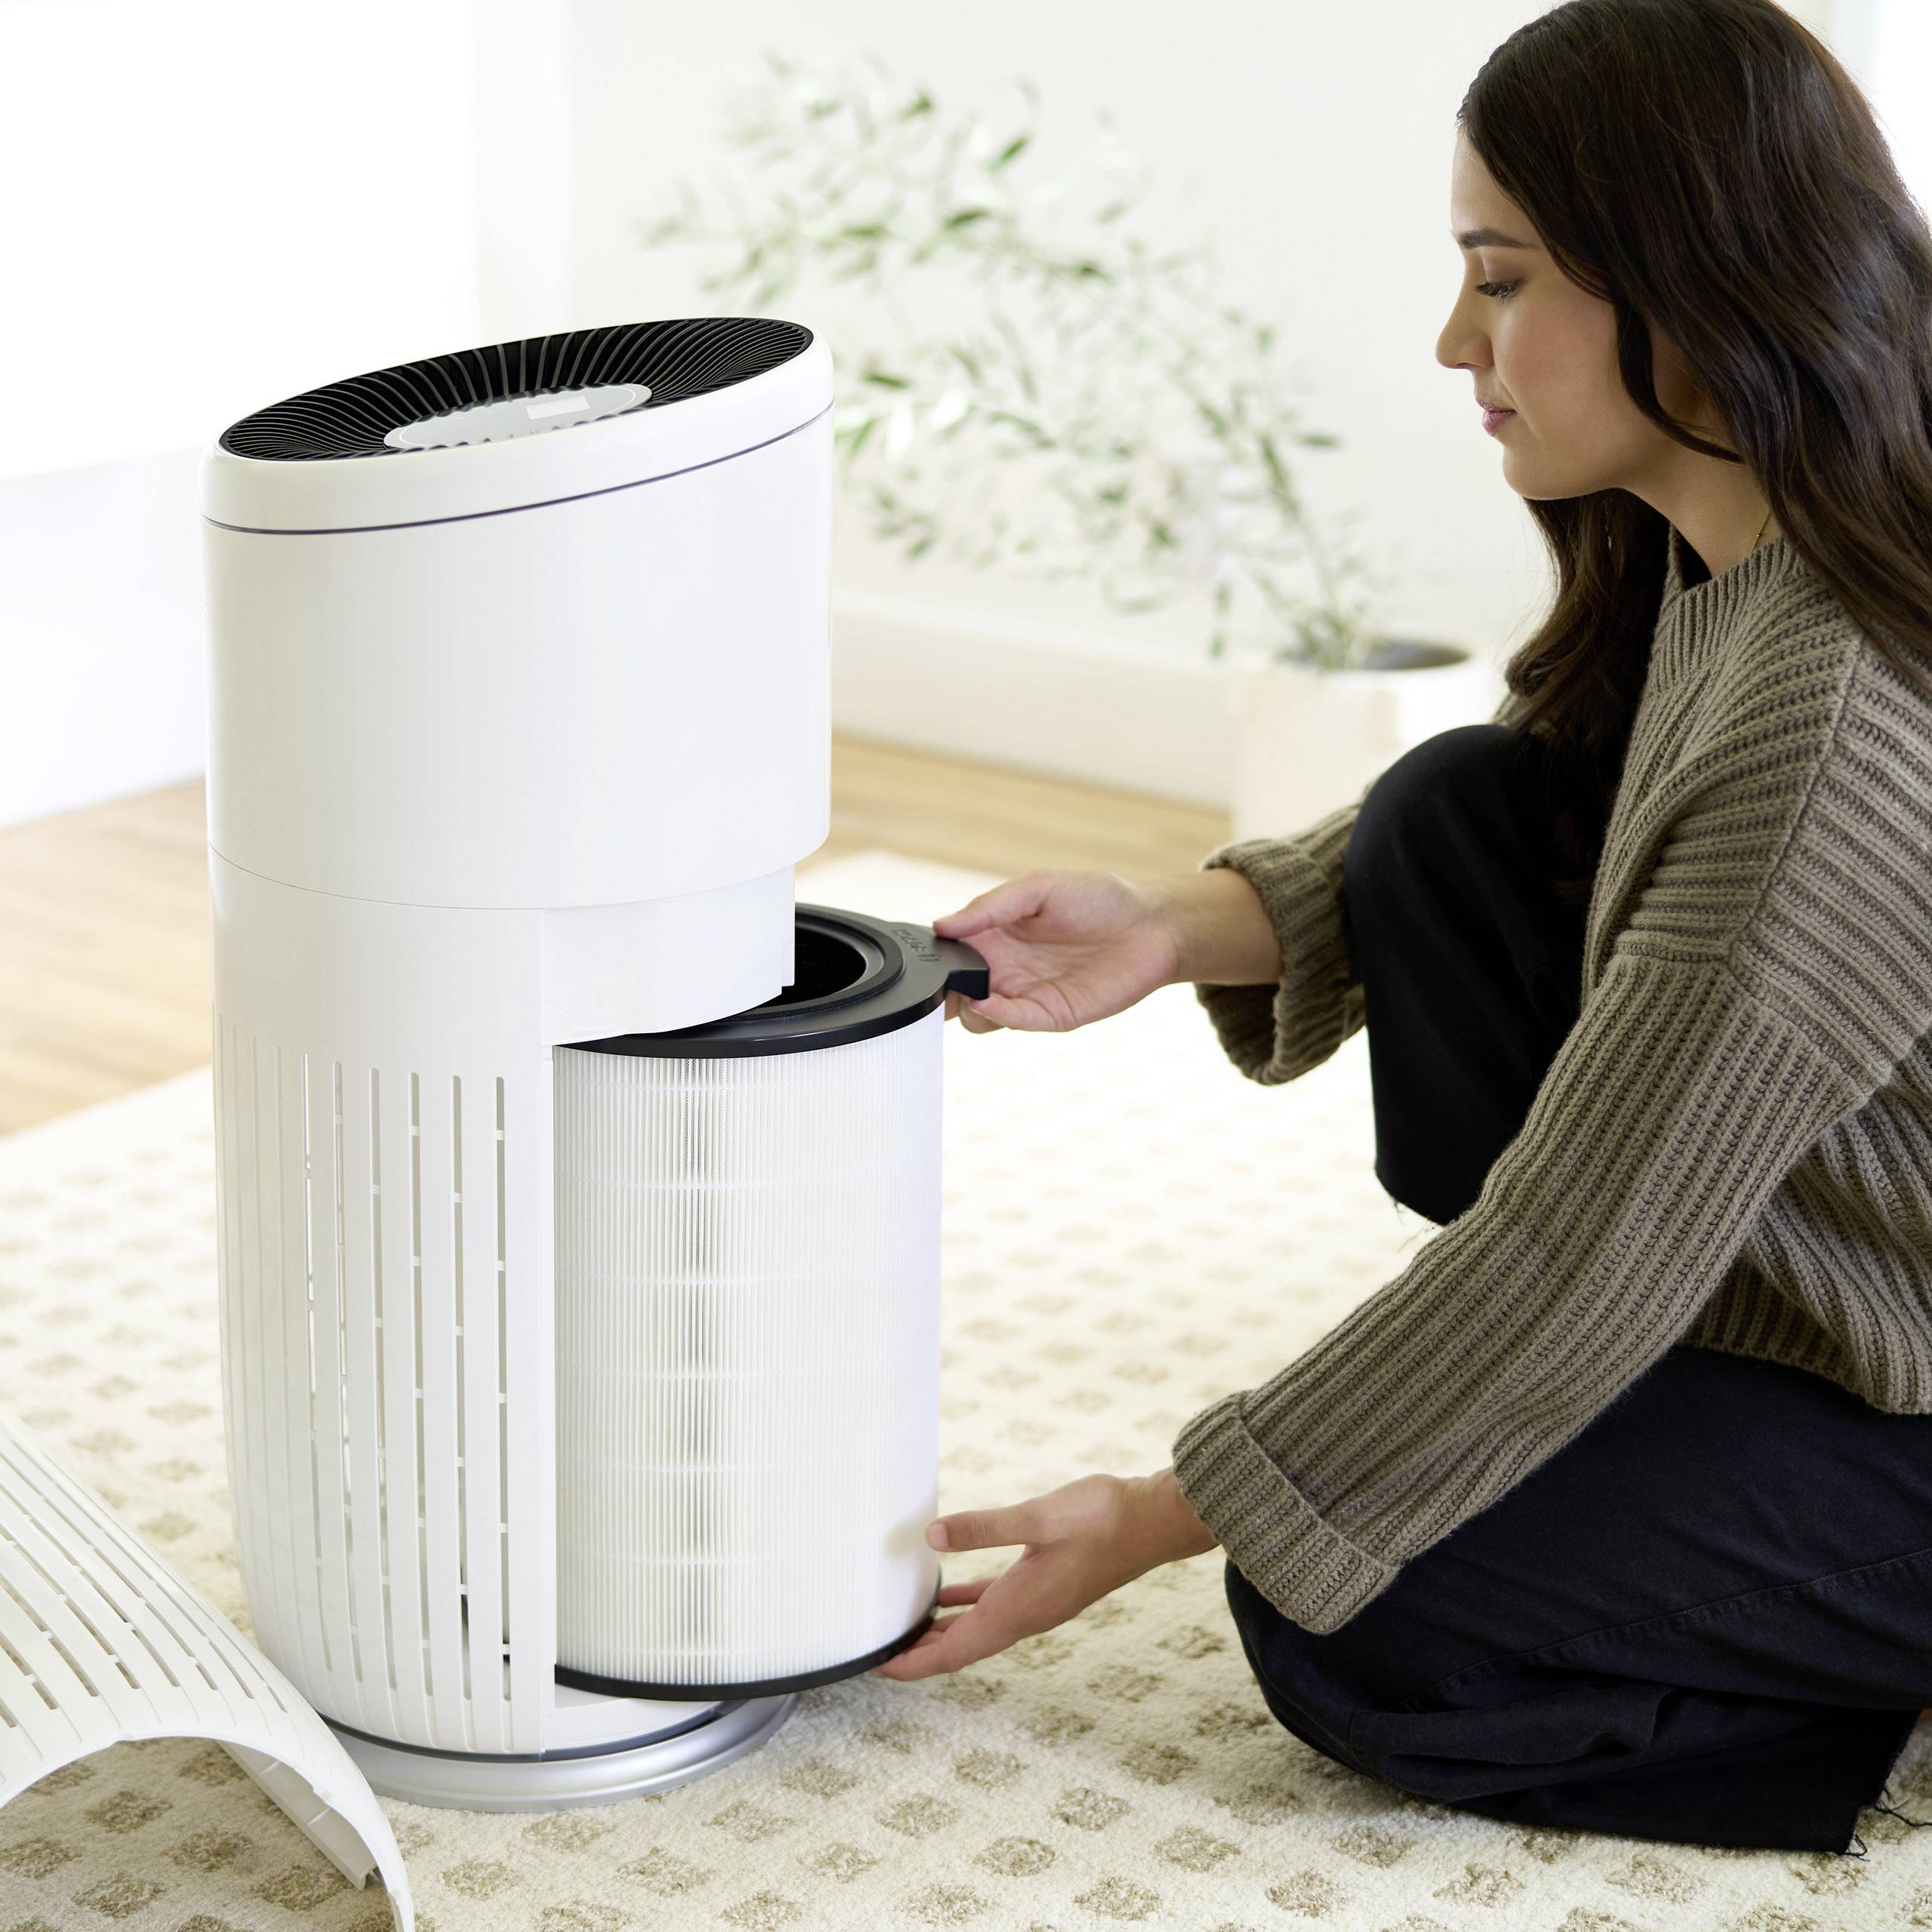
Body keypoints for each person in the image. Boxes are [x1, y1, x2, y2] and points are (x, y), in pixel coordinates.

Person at [869, 0, 1932, 1861]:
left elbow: (1581, 1240)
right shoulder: (1724, 540)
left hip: (1903, 1394)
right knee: (1453, 811)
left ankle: (1853, 1668)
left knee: (1346, 1607)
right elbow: (1561, 802)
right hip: (1790, 1265)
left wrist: (1157, 1506)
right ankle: (1635, 1451)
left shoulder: (1832, 725)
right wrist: (1173, 924)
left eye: (1500, 281)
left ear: (1693, 283)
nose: (1456, 343)